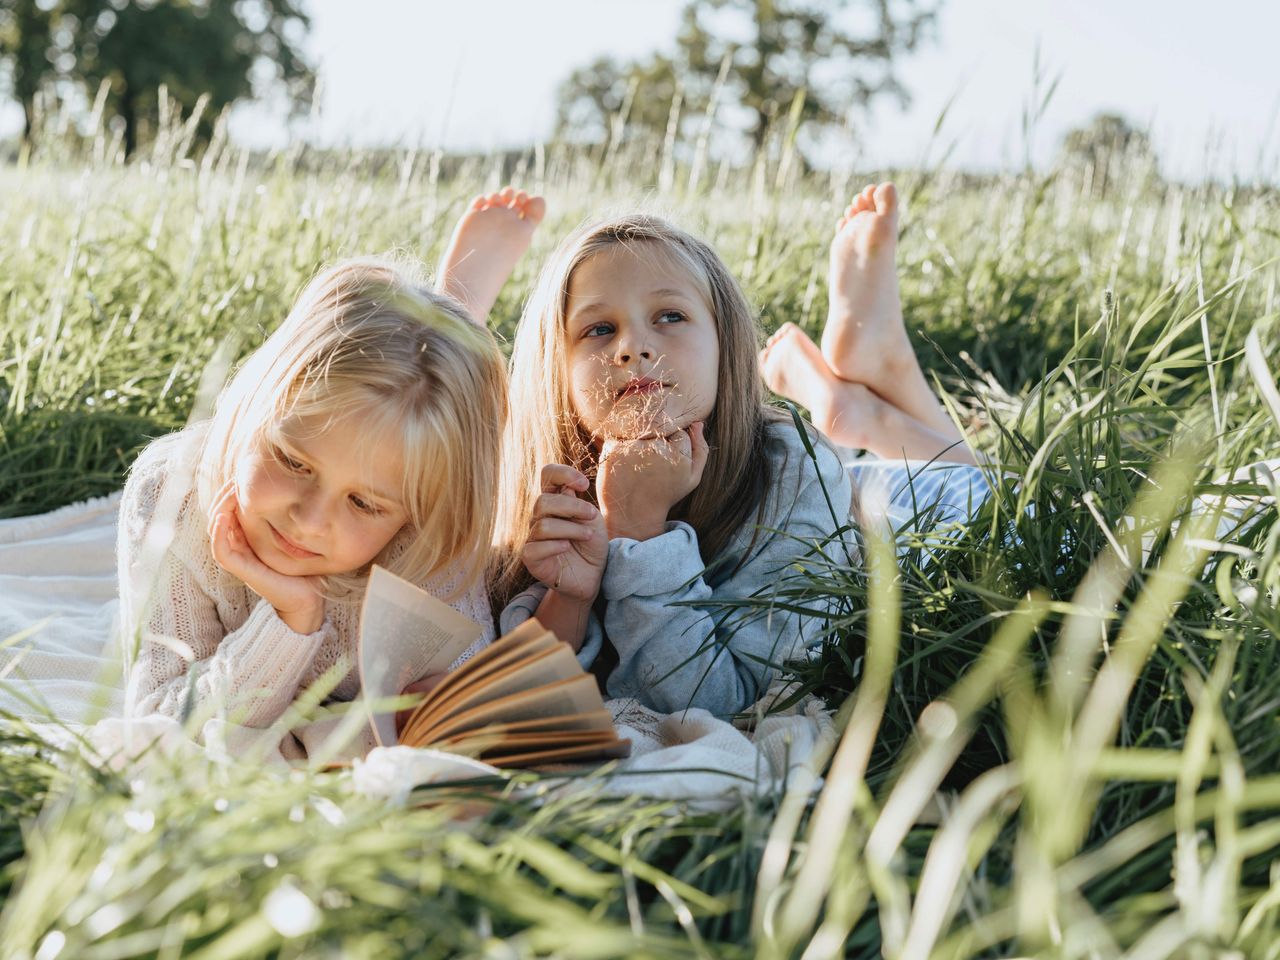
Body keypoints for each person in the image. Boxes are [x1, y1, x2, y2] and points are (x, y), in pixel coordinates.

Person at [121, 188, 542, 731]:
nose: (311, 520)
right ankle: (451, 314)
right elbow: (159, 722)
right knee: (407, 406)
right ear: (256, 405)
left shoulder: (427, 531)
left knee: (446, 421)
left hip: (429, 461)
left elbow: (454, 706)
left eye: (364, 503)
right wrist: (291, 621)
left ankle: (456, 314)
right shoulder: (170, 494)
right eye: (294, 462)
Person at [493, 213, 852, 717]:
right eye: (599, 329)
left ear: (725, 341)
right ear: (557, 371)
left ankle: (857, 406)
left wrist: (640, 535)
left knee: (949, 479)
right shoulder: (547, 485)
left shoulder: (794, 471)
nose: (632, 347)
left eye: (669, 317)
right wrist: (568, 600)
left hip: (899, 504)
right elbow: (522, 699)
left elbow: (724, 701)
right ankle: (846, 406)